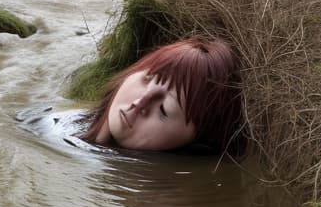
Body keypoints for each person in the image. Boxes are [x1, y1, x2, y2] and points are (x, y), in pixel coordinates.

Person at [81, 38, 244, 153]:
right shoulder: (57, 126)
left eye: (164, 109)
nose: (139, 103)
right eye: (146, 80)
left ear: (198, 142)